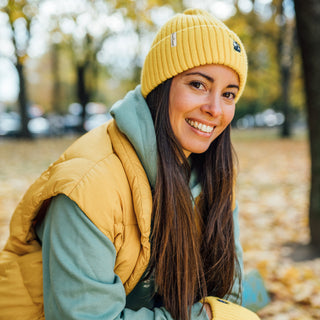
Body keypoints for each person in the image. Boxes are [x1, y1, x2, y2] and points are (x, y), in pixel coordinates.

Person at [0, 8, 261, 320]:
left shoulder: (213, 176)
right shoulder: (88, 184)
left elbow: (227, 290)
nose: (215, 109)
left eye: (229, 94)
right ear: (161, 87)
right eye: (198, 85)